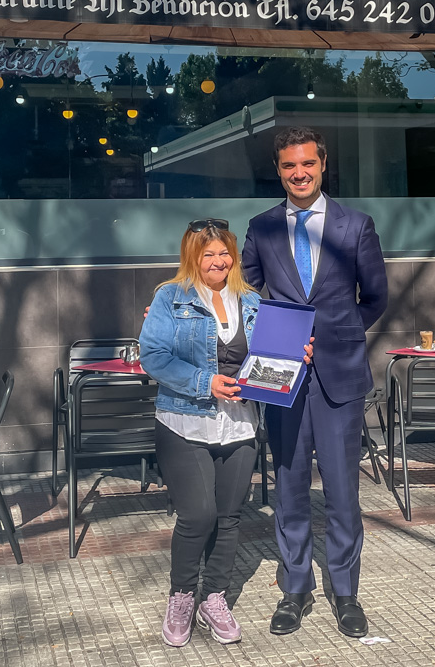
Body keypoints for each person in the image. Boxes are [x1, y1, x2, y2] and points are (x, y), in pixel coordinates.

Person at [240, 127, 388, 639]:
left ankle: (345, 592)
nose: (298, 173)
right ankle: (295, 588)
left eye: (306, 164)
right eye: (288, 166)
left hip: (340, 376)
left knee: (344, 492)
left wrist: (334, 337)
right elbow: (246, 298)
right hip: (281, 378)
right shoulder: (261, 228)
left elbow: (375, 298)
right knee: (289, 487)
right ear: (278, 170)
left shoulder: (356, 226)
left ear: (322, 165)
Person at [140, 218, 313, 648]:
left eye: (223, 252)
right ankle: (181, 596)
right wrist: (205, 381)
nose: (217, 261)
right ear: (192, 257)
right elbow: (153, 357)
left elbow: (272, 356)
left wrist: (297, 356)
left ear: (233, 256)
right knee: (197, 515)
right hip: (184, 420)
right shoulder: (169, 298)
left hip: (239, 424)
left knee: (229, 517)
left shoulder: (252, 301)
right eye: (207, 253)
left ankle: (213, 597)